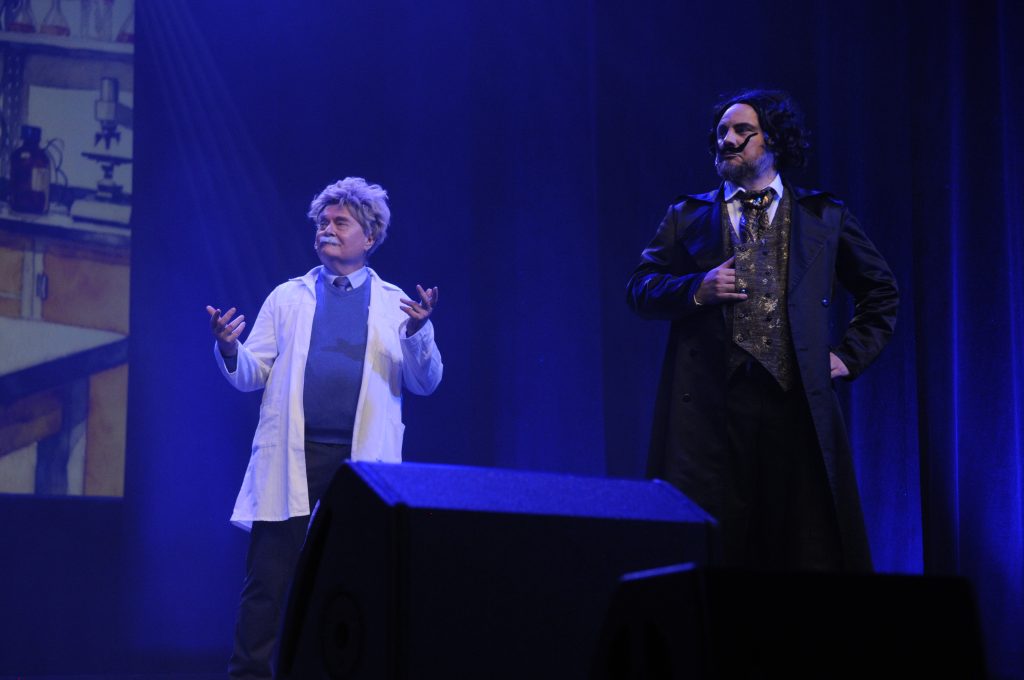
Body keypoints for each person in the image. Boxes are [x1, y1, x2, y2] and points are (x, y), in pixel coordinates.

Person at [626, 90, 897, 572]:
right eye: (721, 133)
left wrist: (848, 356)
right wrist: (695, 289)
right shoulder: (687, 215)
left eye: (742, 131)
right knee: (716, 557)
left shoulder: (822, 215)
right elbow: (639, 288)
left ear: (773, 139)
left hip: (794, 409)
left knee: (801, 552)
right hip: (714, 411)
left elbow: (881, 291)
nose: (727, 141)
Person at [205, 177, 443, 679]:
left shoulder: (397, 304)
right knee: (267, 581)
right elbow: (253, 372)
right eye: (322, 221)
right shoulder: (287, 297)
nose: (326, 229)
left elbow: (426, 383)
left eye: (340, 222)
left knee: (356, 580)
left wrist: (419, 332)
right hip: (295, 454)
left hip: (361, 465)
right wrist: (229, 349)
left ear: (369, 236)